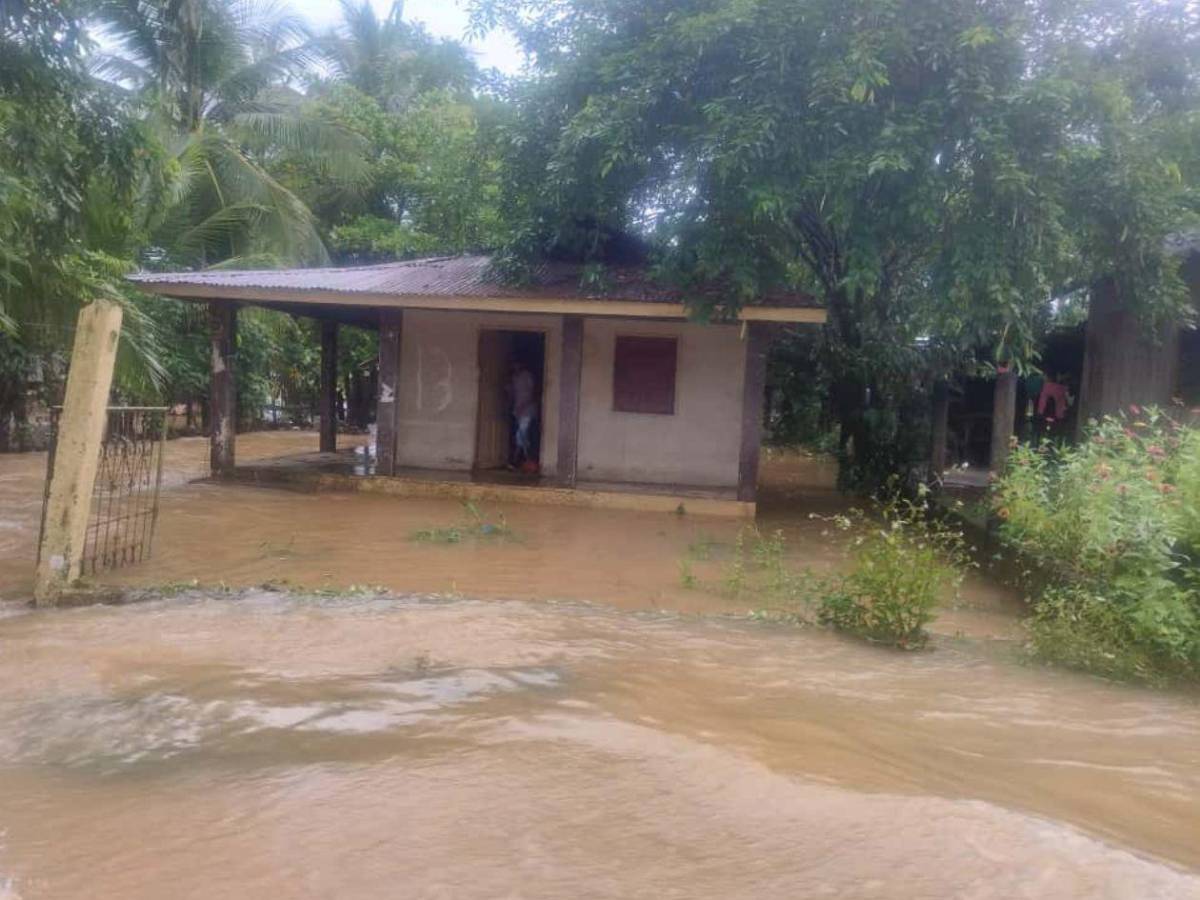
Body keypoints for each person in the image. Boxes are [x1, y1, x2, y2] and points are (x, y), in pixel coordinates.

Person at [508, 360, 539, 471]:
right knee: (520, 437)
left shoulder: (527, 376)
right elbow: (513, 394)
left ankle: (519, 461)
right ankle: (521, 461)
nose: (514, 365)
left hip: (527, 411)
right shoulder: (514, 378)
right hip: (518, 411)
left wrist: (524, 405)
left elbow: (533, 393)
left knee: (522, 437)